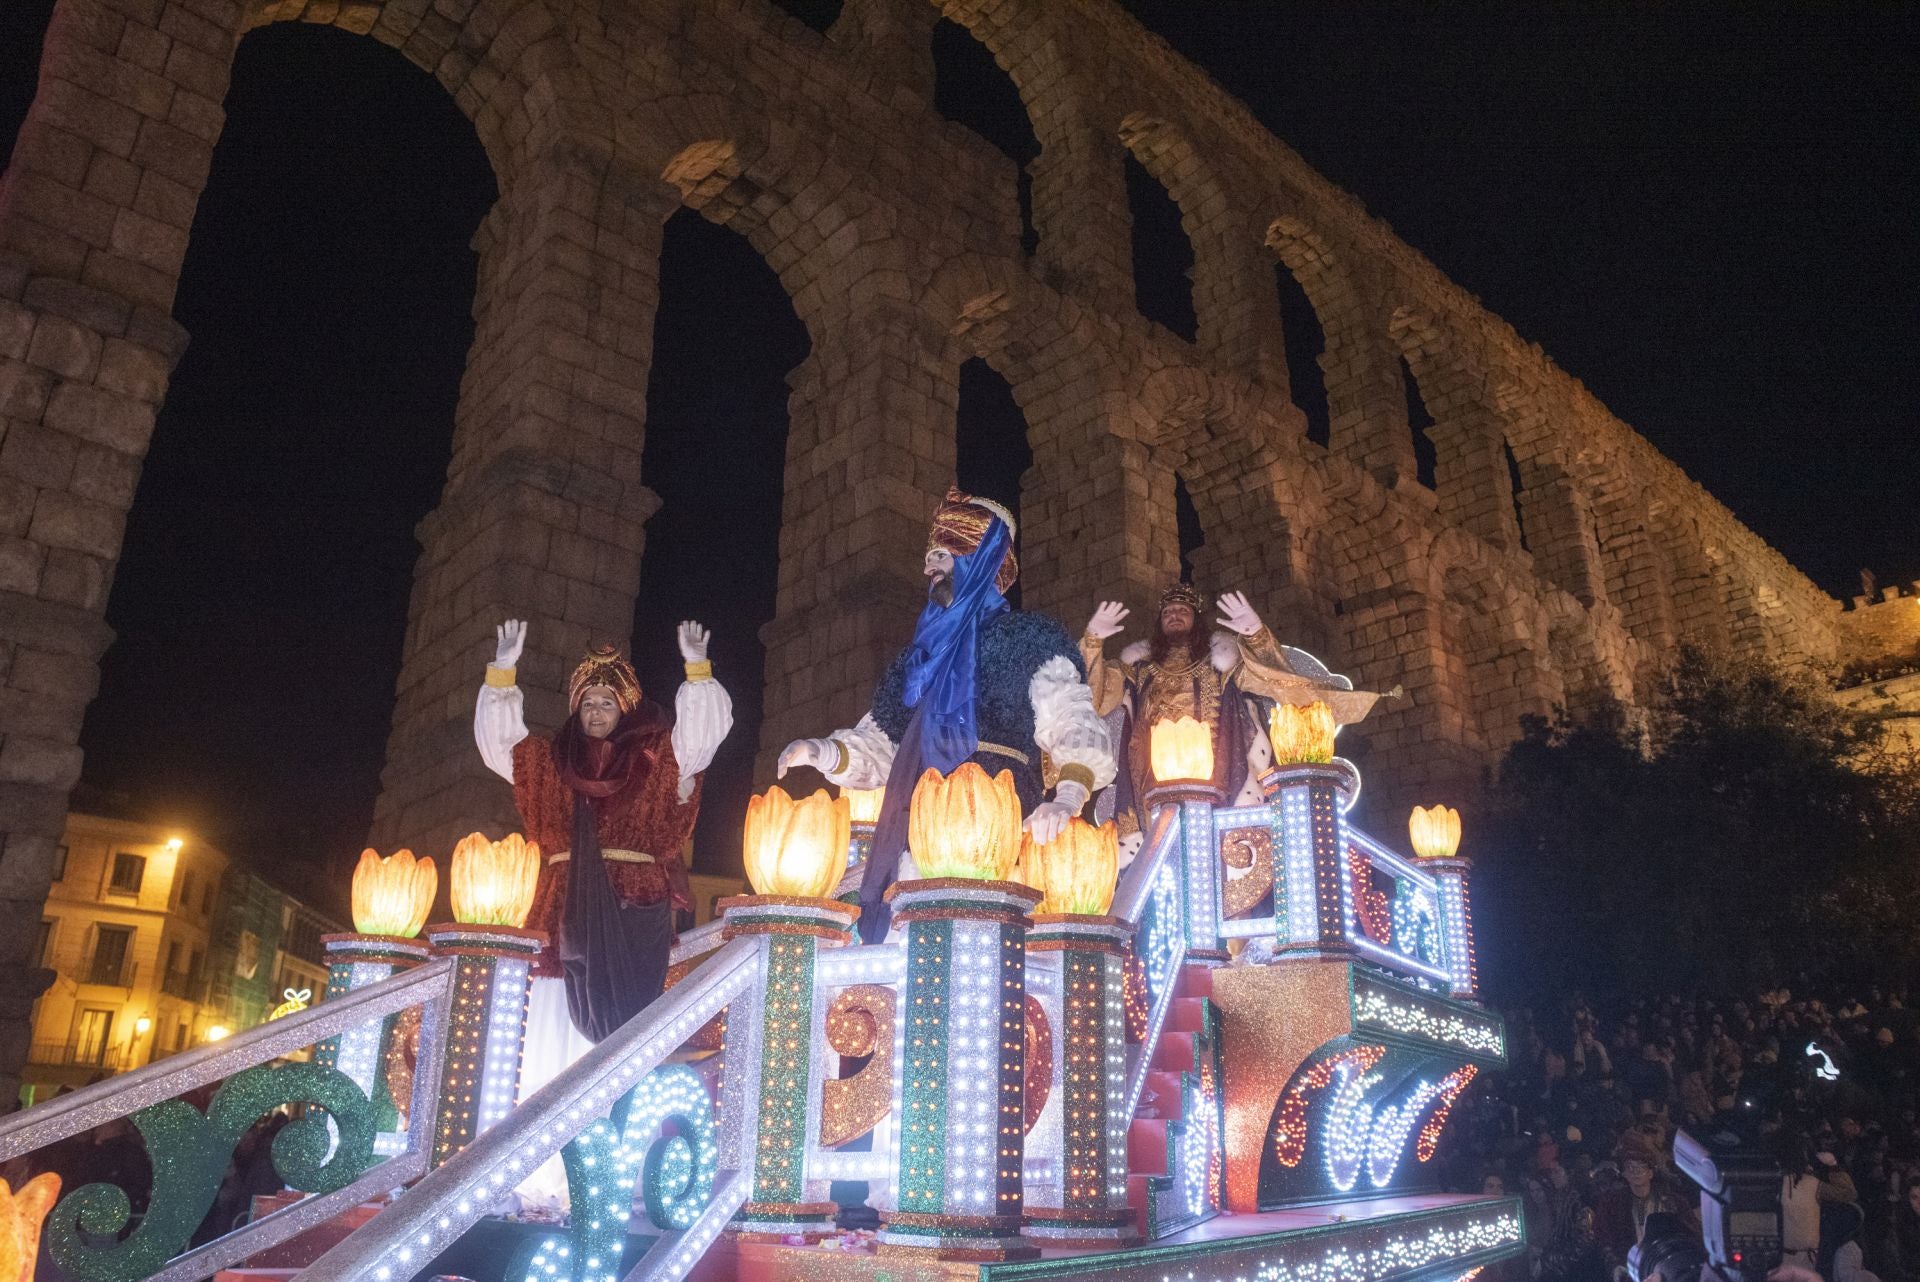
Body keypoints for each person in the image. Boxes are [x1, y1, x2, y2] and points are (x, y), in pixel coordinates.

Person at [776, 488, 1116, 943]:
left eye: (939, 555)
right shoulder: (918, 657)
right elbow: (882, 741)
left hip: (998, 831)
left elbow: (1071, 719)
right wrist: (820, 751)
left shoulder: (1028, 639)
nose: (927, 568)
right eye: (928, 557)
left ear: (977, 559)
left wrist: (1068, 796)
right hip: (918, 832)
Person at [475, 619, 732, 1042]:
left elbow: (700, 739)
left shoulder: (655, 759)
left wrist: (697, 669)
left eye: (606, 703)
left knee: (627, 1021)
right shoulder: (550, 762)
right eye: (588, 703)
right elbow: (501, 746)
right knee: (550, 1015)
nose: (595, 711)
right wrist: (502, 673)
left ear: (624, 709)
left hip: (632, 904)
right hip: (563, 899)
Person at [1078, 585, 1394, 858]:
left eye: (1182, 611)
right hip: (1151, 772)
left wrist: (1256, 635)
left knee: (1218, 847)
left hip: (1218, 767)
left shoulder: (1222, 661)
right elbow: (1093, 697)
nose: (1174, 615)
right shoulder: (1138, 667)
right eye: (1168, 612)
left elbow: (1275, 679)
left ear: (1195, 619)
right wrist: (1092, 641)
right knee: (1160, 846)